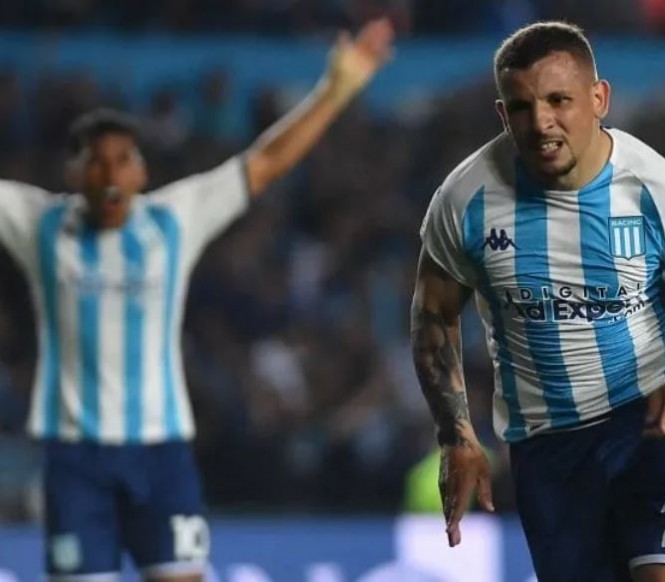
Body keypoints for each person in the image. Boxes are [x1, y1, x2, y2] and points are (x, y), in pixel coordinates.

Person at [0, 19, 394, 582]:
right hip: (76, 459)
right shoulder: (39, 223)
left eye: (122, 160)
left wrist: (334, 91)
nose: (109, 174)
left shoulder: (173, 220)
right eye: (95, 161)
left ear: (141, 172)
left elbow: (266, 162)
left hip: (160, 453)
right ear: (72, 172)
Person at [411, 21, 665, 582]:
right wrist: (455, 434)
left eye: (558, 100)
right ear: (502, 114)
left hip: (655, 421)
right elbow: (433, 316)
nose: (541, 122)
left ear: (599, 99)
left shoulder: (658, 190)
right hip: (549, 447)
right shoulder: (464, 200)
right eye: (521, 107)